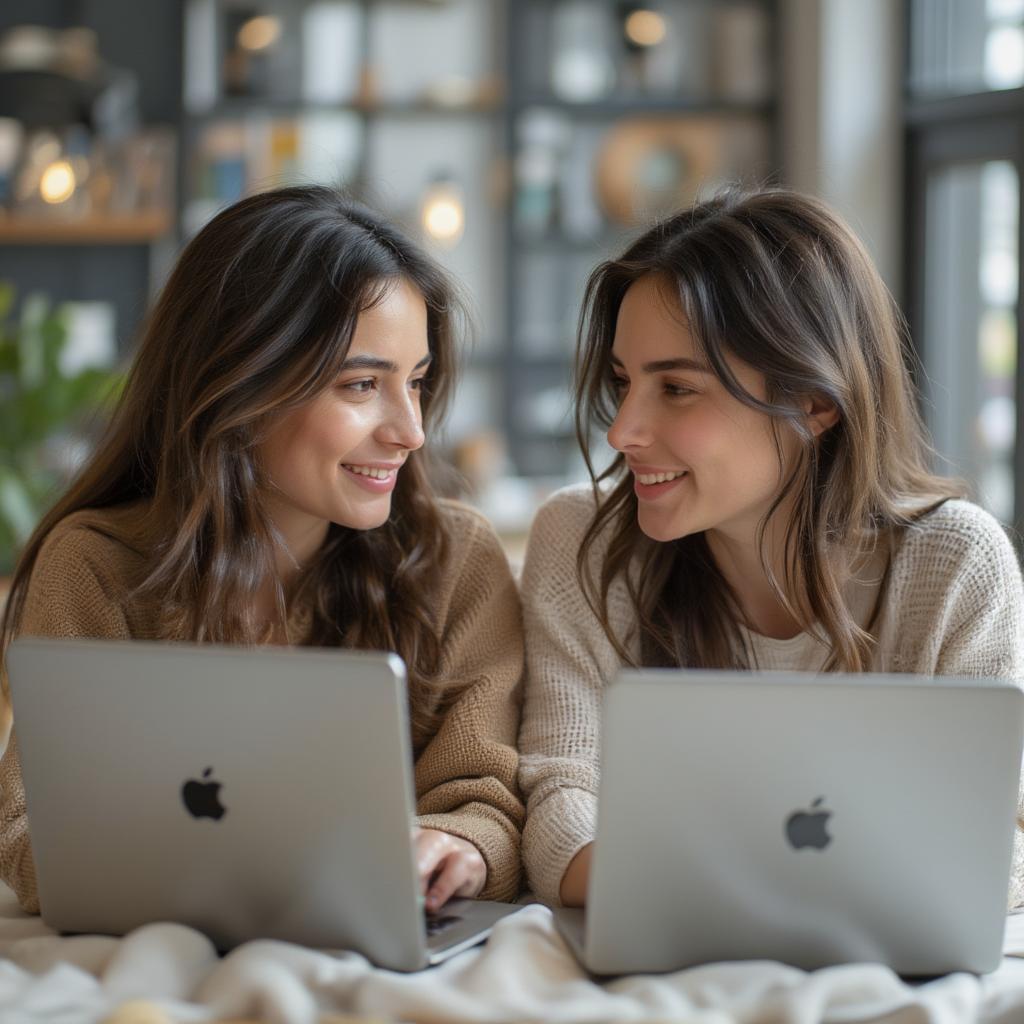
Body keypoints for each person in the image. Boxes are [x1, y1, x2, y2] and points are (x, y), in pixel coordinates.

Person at [0, 185, 524, 914]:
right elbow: (31, 836)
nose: (411, 430)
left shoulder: (455, 559)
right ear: (239, 384)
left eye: (418, 382)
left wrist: (454, 847)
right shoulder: (94, 564)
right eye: (363, 384)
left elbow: (485, 800)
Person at [518, 188, 1024, 908]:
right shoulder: (581, 544)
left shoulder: (953, 564)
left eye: (678, 389)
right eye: (625, 382)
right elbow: (561, 797)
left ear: (815, 403)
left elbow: (993, 852)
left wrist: (710, 886)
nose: (622, 430)